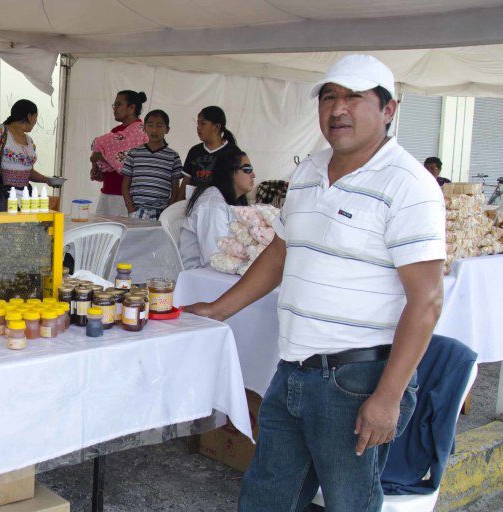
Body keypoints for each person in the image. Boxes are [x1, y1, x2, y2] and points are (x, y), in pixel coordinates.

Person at [185, 55, 446, 511]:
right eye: (328, 97)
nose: (337, 109)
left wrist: (388, 397)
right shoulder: (308, 171)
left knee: (349, 503)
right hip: (293, 368)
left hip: (358, 378)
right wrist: (217, 308)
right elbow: (281, 252)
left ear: (389, 109)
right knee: (266, 498)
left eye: (353, 97)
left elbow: (426, 301)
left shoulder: (409, 185)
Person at [179, 148, 252, 269]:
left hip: (223, 271)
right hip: (202, 276)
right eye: (247, 170)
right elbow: (215, 258)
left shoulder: (230, 201)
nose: (253, 175)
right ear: (229, 173)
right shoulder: (212, 206)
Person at [91, 91, 149, 216]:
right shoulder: (115, 131)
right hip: (107, 191)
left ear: (131, 108)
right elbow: (102, 154)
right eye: (114, 105)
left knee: (121, 233)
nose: (115, 109)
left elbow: (130, 163)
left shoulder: (141, 132)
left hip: (126, 196)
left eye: (118, 105)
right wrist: (97, 164)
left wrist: (100, 156)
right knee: (104, 233)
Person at [121, 109, 183, 219]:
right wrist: (131, 209)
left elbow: (175, 189)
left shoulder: (173, 157)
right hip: (137, 210)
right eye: (150, 125)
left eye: (159, 126)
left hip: (162, 213)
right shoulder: (134, 153)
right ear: (144, 128)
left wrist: (168, 211)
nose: (154, 130)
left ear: (167, 129)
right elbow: (125, 186)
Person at [0, 99, 55, 190]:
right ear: (29, 116)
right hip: (0, 193)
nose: (35, 122)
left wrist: (46, 180)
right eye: (35, 117)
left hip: (23, 195)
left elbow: (29, 172)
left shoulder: (30, 141)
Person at [177, 106, 239, 201]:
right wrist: (176, 205)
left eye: (203, 123)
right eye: (198, 123)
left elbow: (237, 183)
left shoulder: (233, 152)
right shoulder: (194, 151)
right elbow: (185, 182)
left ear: (217, 127)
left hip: (219, 206)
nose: (198, 127)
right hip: (193, 205)